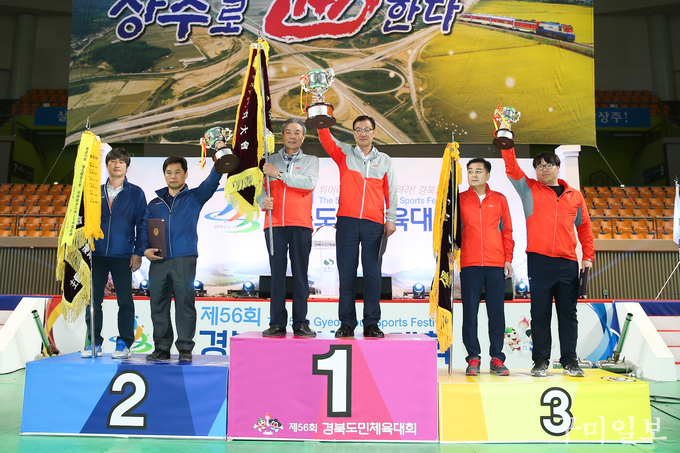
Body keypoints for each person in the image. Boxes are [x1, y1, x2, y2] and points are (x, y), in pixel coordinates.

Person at [502, 141, 594, 377]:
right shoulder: (528, 189)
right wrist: (505, 143)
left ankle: (570, 360)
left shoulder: (574, 196)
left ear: (558, 168)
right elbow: (512, 168)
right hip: (539, 261)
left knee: (568, 314)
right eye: (539, 166)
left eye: (548, 165)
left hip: (567, 262)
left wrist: (588, 256)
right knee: (540, 313)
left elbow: (584, 226)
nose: (544, 169)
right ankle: (541, 361)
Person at [318, 115, 398, 338]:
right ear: (353, 133)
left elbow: (391, 191)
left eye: (367, 129)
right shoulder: (344, 153)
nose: (363, 133)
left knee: (373, 276)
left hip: (374, 224)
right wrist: (319, 113)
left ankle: (371, 323)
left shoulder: (384, 160)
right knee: (347, 275)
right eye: (358, 129)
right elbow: (326, 139)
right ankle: (347, 323)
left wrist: (390, 218)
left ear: (374, 132)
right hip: (347, 223)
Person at [141, 154, 224, 362]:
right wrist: (144, 250)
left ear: (186, 174)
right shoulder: (154, 204)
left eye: (177, 172)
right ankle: (161, 348)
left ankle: (185, 348)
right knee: (158, 305)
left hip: (184, 259)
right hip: (158, 261)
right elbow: (143, 230)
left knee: (185, 304)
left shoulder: (195, 197)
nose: (173, 176)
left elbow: (211, 182)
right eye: (169, 172)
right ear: (164, 175)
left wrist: (220, 161)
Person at [82, 147, 147, 359]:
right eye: (112, 161)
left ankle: (124, 343)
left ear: (127, 166)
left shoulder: (136, 193)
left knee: (125, 301)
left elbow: (143, 224)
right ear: (107, 165)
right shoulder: (95, 192)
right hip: (96, 254)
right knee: (93, 301)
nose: (116, 164)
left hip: (123, 255)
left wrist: (138, 251)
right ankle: (94, 342)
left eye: (121, 161)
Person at [258, 118, 319, 337]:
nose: (292, 136)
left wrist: (279, 174)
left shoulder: (311, 160)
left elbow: (308, 183)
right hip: (274, 224)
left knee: (300, 275)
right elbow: (259, 188)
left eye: (297, 132)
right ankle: (277, 323)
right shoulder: (268, 160)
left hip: (300, 224)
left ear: (303, 137)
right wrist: (262, 200)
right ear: (282, 136)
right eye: (288, 132)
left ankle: (301, 323)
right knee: (277, 275)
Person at [460, 158, 514, 376]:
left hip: (495, 264)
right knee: (469, 314)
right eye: (470, 171)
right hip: (469, 264)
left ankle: (497, 358)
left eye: (478, 171)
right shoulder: (459, 200)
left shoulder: (499, 199)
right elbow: (452, 232)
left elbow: (507, 231)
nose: (474, 175)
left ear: (488, 175)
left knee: (496, 313)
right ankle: (473, 357)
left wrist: (508, 258)